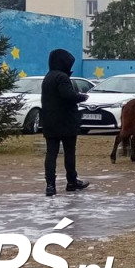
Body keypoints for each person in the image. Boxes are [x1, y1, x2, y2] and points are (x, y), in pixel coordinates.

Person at [40, 49, 91, 197]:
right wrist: (82, 97)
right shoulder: (62, 77)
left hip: (50, 122)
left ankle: (50, 185)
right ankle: (71, 181)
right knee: (69, 153)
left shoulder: (48, 77)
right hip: (66, 121)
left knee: (51, 154)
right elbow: (68, 95)